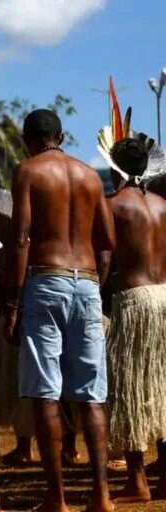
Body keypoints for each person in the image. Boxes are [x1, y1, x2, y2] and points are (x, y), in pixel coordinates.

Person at [5, 109, 116, 512]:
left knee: (45, 392)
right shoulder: (89, 175)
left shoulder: (27, 171)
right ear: (62, 136)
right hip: (86, 281)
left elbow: (19, 238)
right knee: (91, 395)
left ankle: (58, 498)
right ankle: (102, 498)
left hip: (45, 279)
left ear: (26, 139)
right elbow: (106, 242)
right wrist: (94, 286)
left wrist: (14, 301)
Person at [102, 136, 166, 503]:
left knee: (130, 389)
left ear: (115, 168)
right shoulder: (162, 204)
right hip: (164, 296)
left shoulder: (113, 205)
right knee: (161, 386)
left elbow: (105, 260)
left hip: (133, 301)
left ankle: (138, 481)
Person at [0, 189, 35, 466]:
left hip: (26, 324)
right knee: (17, 385)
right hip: (9, 323)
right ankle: (23, 445)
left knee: (30, 385)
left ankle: (66, 445)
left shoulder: (26, 251)